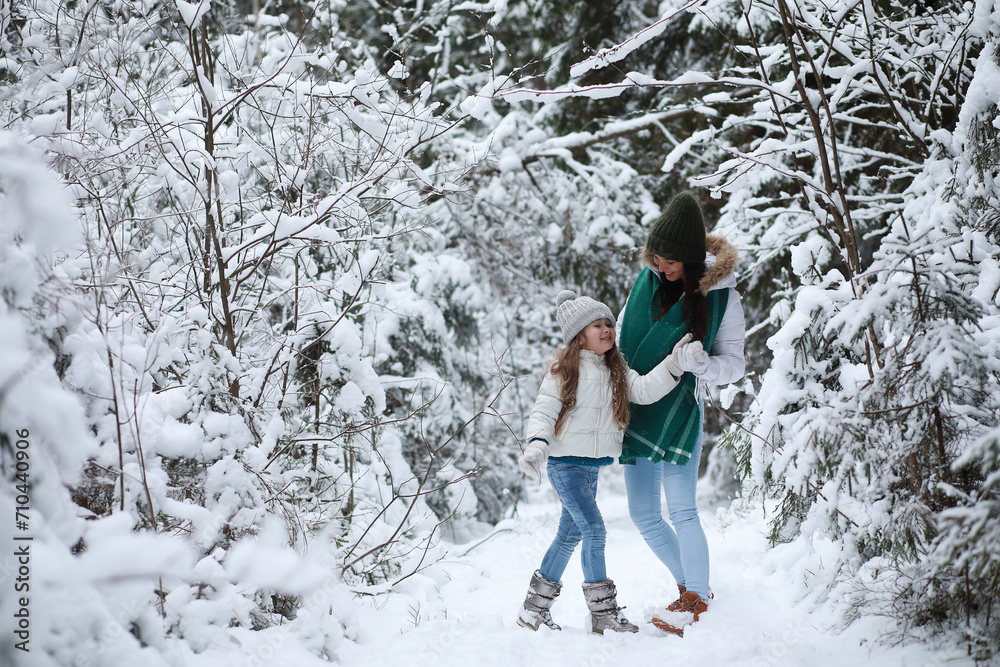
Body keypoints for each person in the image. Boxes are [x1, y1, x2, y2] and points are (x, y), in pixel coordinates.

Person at [516, 290, 700, 635]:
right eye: (596, 325)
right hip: (565, 464)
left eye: (608, 324)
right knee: (594, 530)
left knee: (570, 533)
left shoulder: (617, 369)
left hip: (590, 466)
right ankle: (603, 612)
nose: (606, 330)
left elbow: (644, 391)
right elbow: (544, 410)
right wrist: (537, 445)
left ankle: (533, 611)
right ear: (578, 336)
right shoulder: (564, 371)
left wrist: (675, 364)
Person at [617, 191, 746, 636]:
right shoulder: (643, 284)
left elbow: (736, 363)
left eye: (669, 261)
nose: (660, 266)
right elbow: (619, 337)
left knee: (683, 511)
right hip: (636, 411)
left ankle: (695, 597)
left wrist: (706, 366)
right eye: (655, 257)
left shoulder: (722, 298)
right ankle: (692, 586)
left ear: (691, 260)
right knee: (643, 515)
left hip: (679, 415)